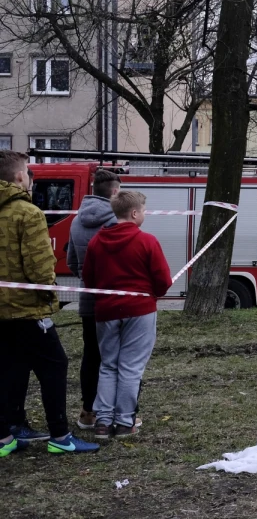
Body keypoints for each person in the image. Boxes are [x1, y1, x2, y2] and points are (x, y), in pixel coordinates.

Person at [0, 150, 98, 455]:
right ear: (19, 177)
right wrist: (50, 298)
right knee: (55, 366)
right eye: (29, 172)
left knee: (10, 368)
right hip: (27, 309)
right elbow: (40, 268)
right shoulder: (27, 213)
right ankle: (60, 436)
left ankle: (8, 434)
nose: (31, 178)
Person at [82, 190, 172, 439]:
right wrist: (154, 292)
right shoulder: (147, 241)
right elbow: (163, 280)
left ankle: (102, 421)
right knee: (131, 367)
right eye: (143, 210)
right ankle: (124, 422)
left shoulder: (96, 242)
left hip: (106, 311)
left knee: (108, 365)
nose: (144, 214)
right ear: (134, 213)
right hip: (140, 310)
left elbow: (88, 278)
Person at [66, 169, 120, 431]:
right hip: (114, 301)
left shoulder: (77, 221)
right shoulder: (116, 221)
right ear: (114, 192)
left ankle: (88, 411)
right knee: (114, 359)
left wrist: (88, 280)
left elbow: (71, 262)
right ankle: (115, 413)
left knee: (91, 356)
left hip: (88, 300)